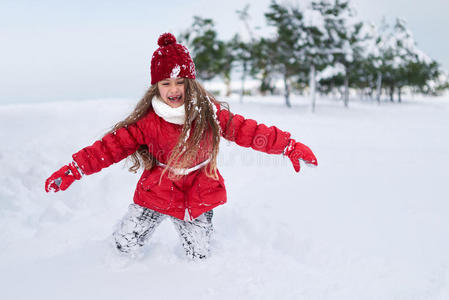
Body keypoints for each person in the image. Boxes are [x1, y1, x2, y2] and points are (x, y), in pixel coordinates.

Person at [44, 32, 318, 260]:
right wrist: (75, 168)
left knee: (199, 256)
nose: (173, 89)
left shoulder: (209, 115)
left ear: (190, 83)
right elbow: (109, 147)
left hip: (199, 198)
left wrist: (288, 146)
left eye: (179, 82)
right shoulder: (147, 122)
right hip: (156, 194)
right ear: (156, 87)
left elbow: (250, 131)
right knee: (123, 247)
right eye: (165, 83)